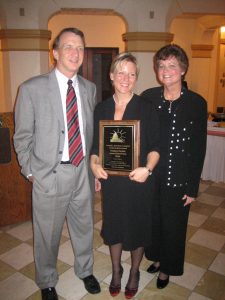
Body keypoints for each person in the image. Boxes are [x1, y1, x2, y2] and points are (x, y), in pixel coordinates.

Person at [13, 27, 101, 300]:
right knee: (46, 235)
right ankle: (47, 281)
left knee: (84, 227)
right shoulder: (31, 88)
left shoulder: (89, 88)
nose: (75, 53)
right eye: (68, 46)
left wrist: (94, 167)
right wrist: (31, 172)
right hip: (49, 174)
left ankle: (85, 270)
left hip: (82, 172)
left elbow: (90, 133)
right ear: (55, 52)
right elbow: (22, 136)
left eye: (80, 48)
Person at [90, 52, 160, 299]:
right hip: (113, 183)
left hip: (138, 180)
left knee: (138, 226)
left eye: (132, 74)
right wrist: (94, 166)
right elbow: (95, 148)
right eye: (121, 72)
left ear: (136, 78)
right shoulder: (102, 108)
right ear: (111, 76)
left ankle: (134, 273)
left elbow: (155, 147)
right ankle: (117, 270)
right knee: (115, 225)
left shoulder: (146, 107)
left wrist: (148, 169)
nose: (126, 78)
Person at [142, 44, 207, 289]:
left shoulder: (196, 103)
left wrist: (192, 187)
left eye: (171, 65)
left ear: (182, 70)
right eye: (161, 65)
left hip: (179, 178)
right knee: (155, 222)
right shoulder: (148, 97)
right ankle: (158, 258)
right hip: (152, 176)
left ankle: (167, 269)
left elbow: (199, 147)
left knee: (174, 226)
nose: (166, 70)